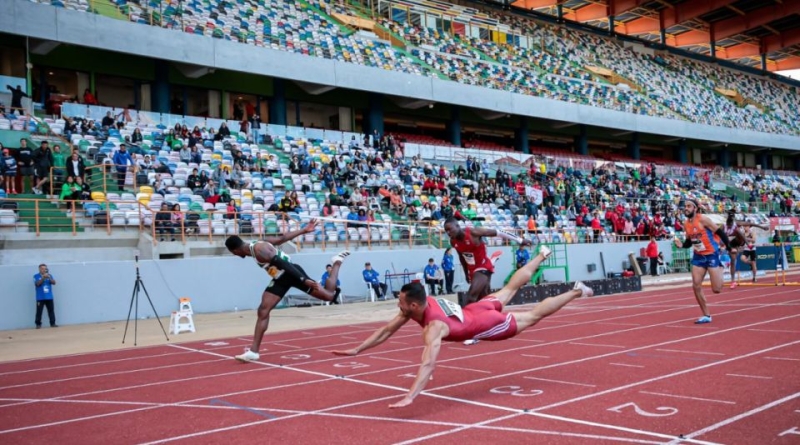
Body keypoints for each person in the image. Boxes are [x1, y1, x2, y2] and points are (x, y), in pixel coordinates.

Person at [332, 246, 594, 408]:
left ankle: (575, 291)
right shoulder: (423, 302)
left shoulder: (433, 327)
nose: (397, 305)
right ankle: (542, 254)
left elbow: (428, 364)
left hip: (487, 323)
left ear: (414, 306)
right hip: (478, 309)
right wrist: (358, 349)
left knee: (534, 315)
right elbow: (386, 331)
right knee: (510, 288)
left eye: (401, 302)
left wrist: (410, 396)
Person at [225, 222, 349, 362]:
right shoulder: (254, 247)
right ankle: (254, 351)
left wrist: (303, 279)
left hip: (292, 273)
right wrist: (303, 230)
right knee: (263, 310)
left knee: (329, 295)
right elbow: (280, 240)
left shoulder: (260, 249)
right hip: (280, 278)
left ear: (234, 251)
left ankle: (337, 262)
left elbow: (284, 264)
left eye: (233, 254)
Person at [444, 217, 531, 307]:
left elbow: (499, 232)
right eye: (446, 231)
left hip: (483, 267)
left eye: (450, 229)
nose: (448, 233)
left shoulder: (473, 232)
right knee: (485, 299)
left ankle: (463, 319)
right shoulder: (453, 241)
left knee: (471, 297)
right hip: (472, 270)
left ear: (457, 226)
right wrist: (466, 273)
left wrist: (520, 240)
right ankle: (494, 316)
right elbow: (461, 257)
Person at [673, 199, 731, 324]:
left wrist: (729, 247)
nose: (686, 208)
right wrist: (681, 245)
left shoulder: (703, 220)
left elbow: (720, 232)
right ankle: (706, 315)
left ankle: (721, 268)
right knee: (696, 285)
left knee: (717, 290)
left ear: (695, 208)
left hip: (711, 255)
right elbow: (689, 242)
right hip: (698, 256)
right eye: (685, 206)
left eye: (689, 206)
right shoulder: (686, 224)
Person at [33, 264, 58, 329]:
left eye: (45, 268)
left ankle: (53, 323)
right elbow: (37, 284)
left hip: (49, 297)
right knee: (39, 311)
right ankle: (38, 324)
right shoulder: (36, 276)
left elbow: (54, 283)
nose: (44, 270)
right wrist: (43, 278)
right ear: (40, 269)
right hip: (40, 297)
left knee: (51, 310)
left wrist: (49, 277)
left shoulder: (50, 275)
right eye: (43, 268)